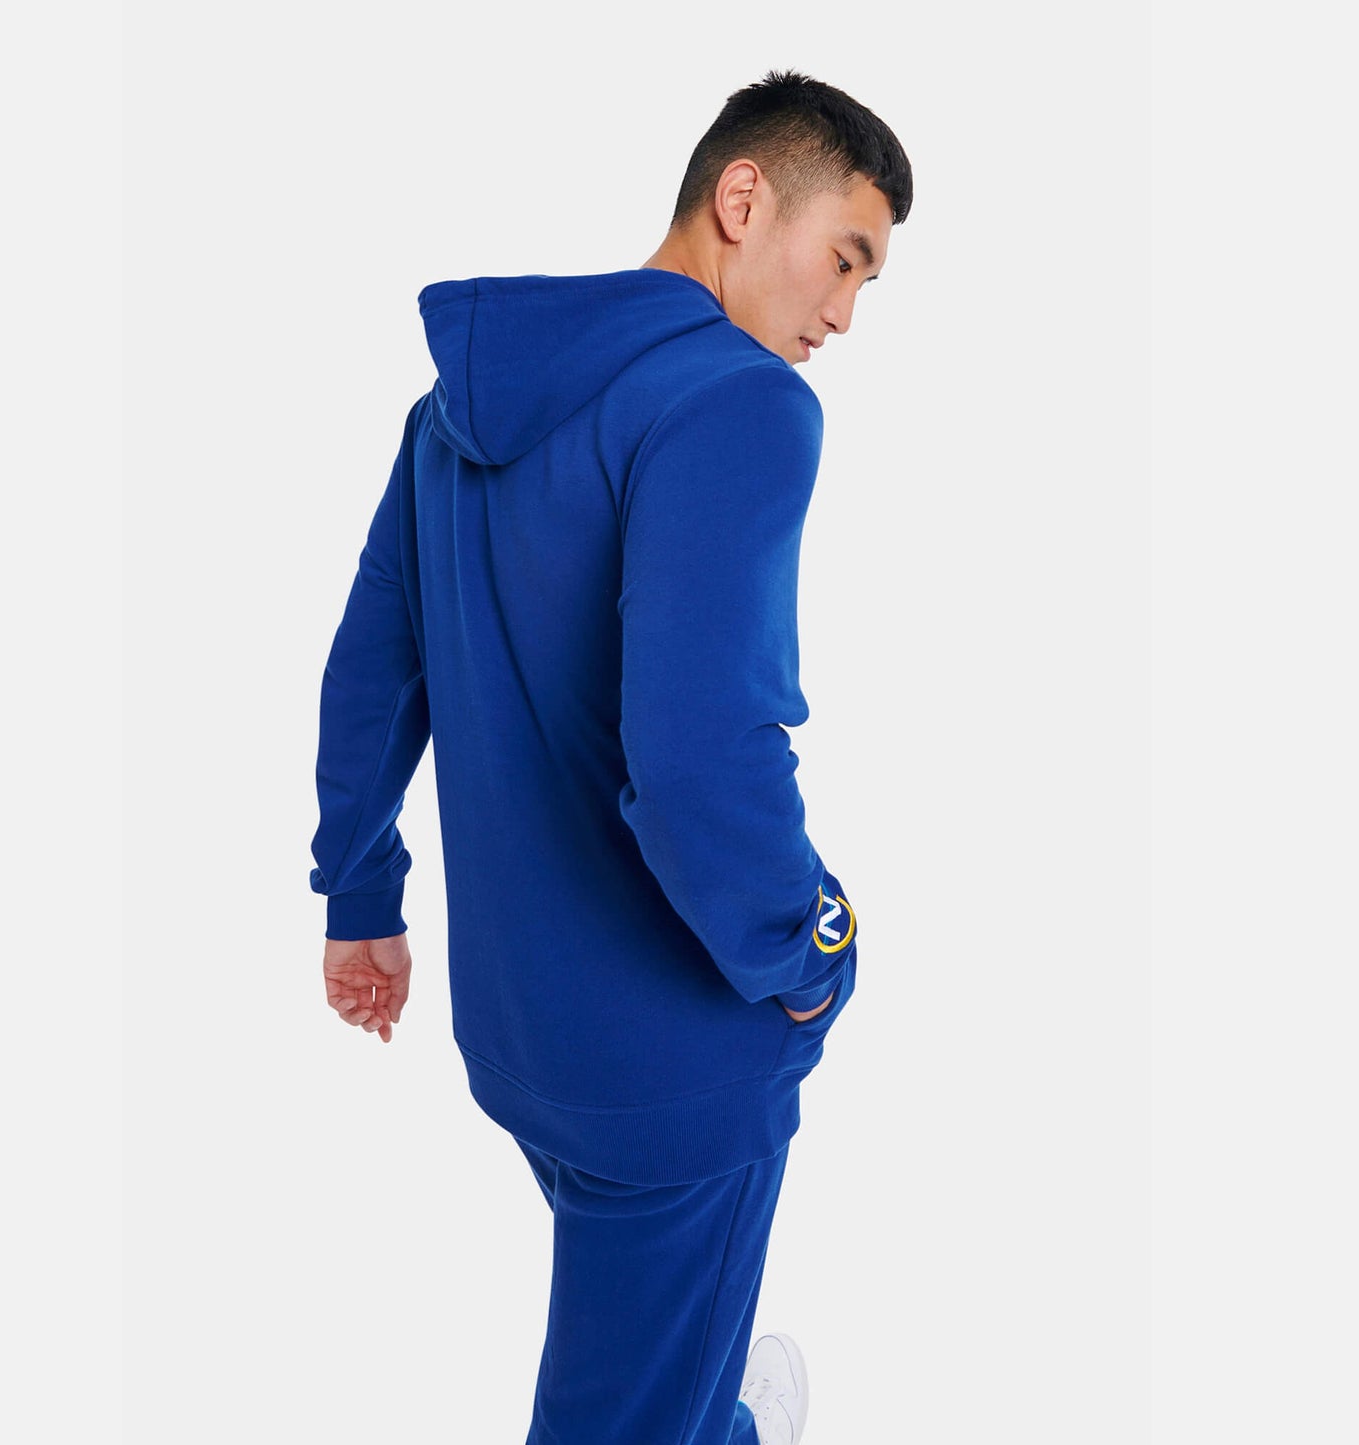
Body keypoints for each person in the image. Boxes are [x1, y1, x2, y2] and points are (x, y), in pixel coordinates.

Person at [309, 67, 913, 1445]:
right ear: (742, 198)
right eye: (845, 259)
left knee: (660, 1365)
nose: (841, 316)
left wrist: (359, 896)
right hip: (674, 1061)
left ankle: (720, 1419)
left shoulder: (453, 414)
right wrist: (809, 951)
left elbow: (371, 674)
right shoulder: (739, 403)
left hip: (520, 1032)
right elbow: (698, 756)